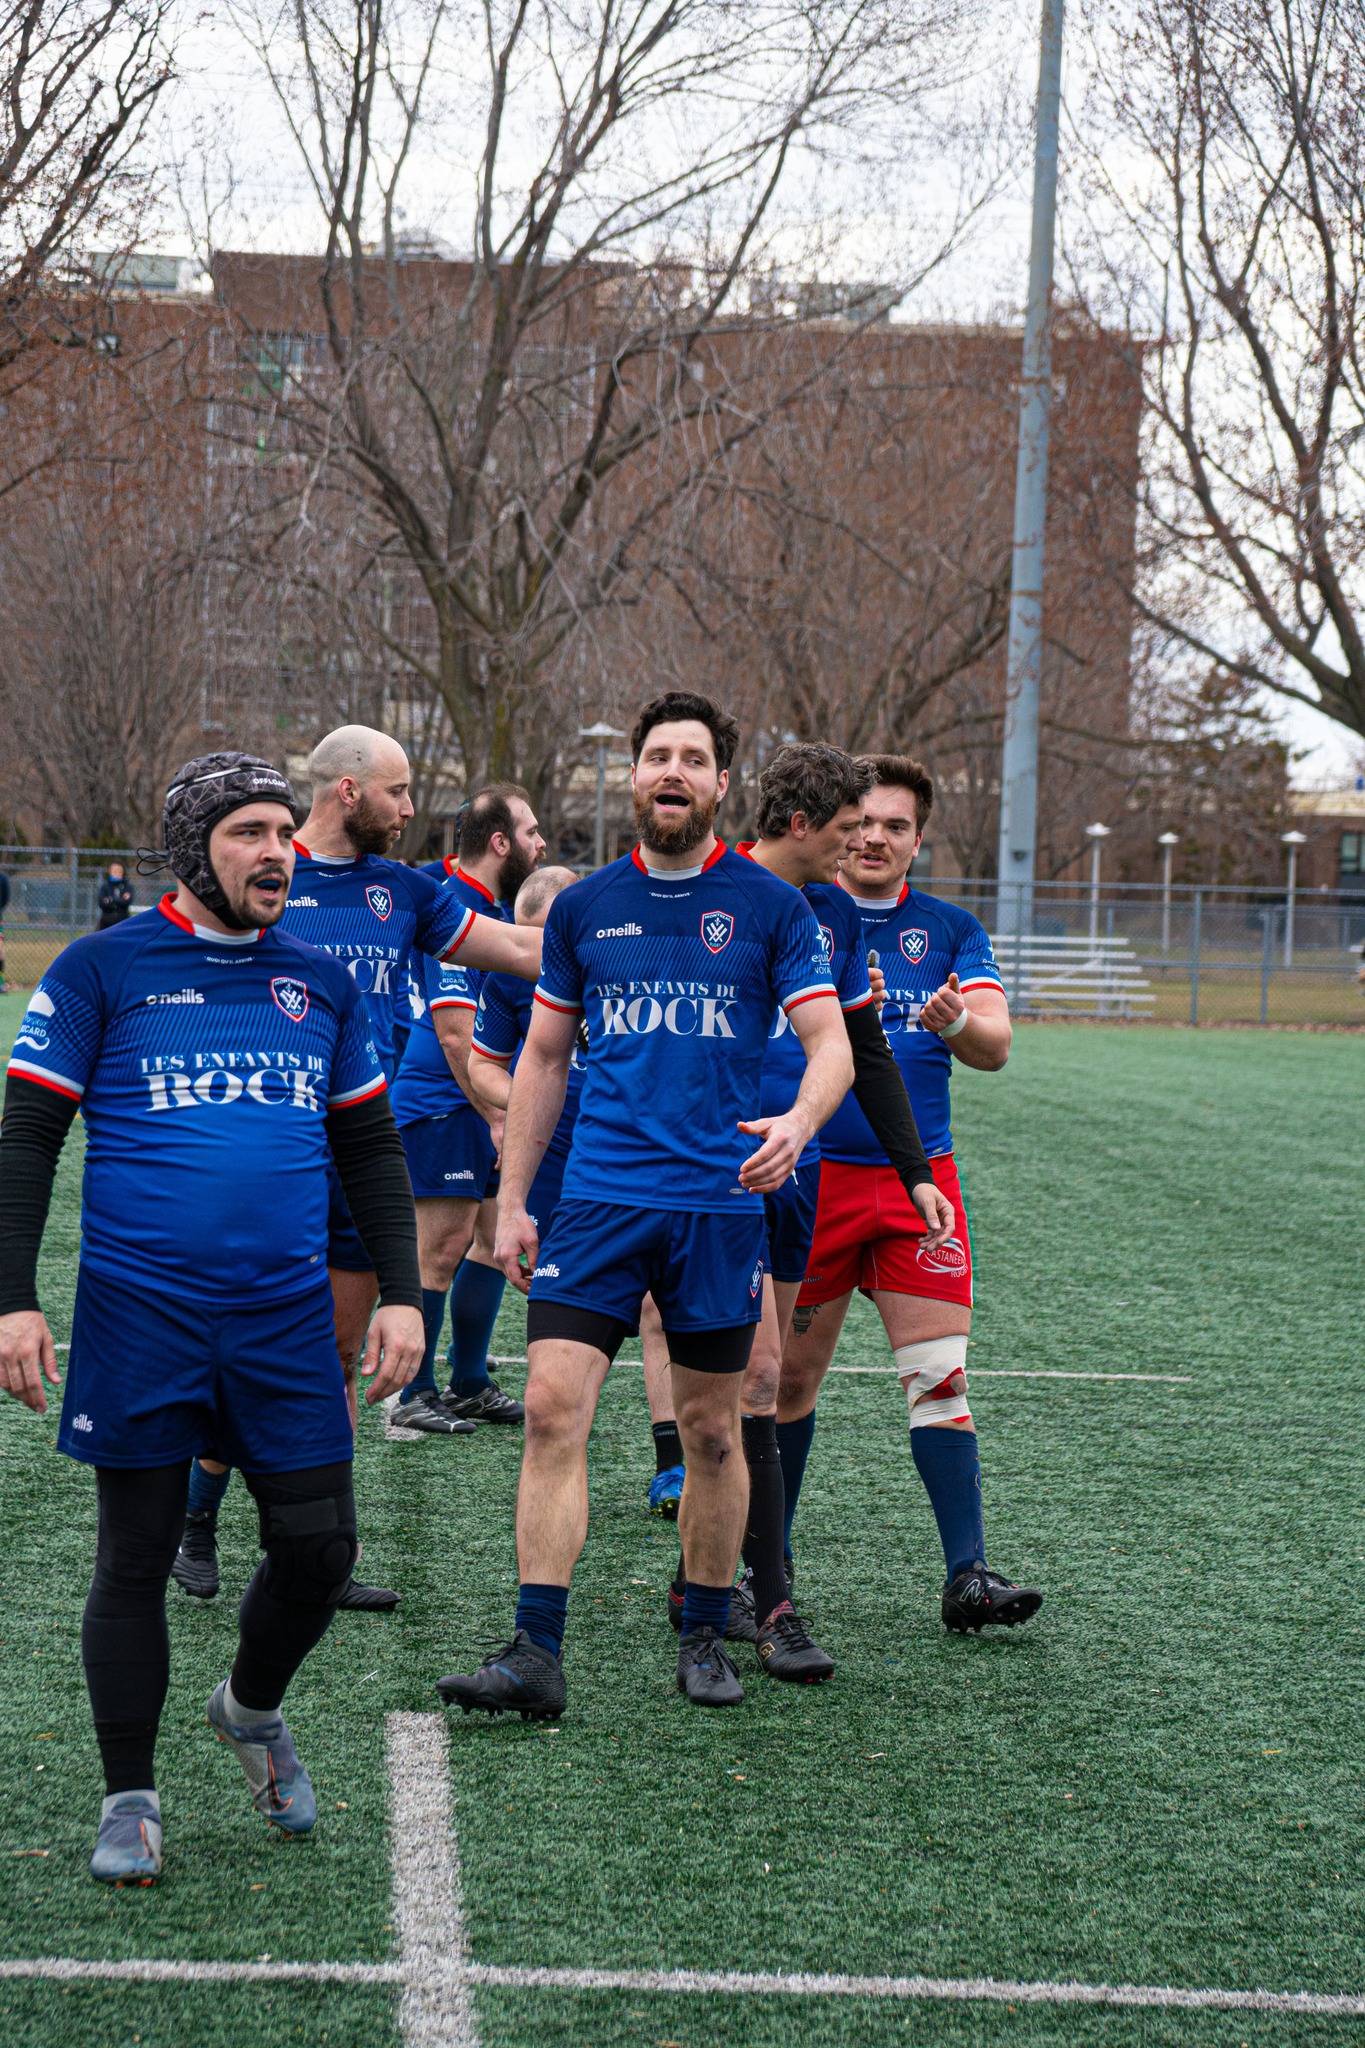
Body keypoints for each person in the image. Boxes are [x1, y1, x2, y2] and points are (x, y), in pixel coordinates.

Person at [0, 752, 423, 1885]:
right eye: (248, 831)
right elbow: (27, 1135)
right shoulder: (103, 967)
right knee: (134, 1557)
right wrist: (12, 1297)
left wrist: (403, 1294)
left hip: (285, 1321)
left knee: (322, 1547)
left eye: (285, 829)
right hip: (141, 1314)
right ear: (195, 849)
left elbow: (372, 1148)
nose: (277, 850)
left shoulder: (319, 981)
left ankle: (246, 1707)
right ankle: (129, 1796)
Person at [436, 690, 851, 1720]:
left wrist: (797, 1122)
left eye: (692, 757)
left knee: (714, 1432)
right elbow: (540, 1057)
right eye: (656, 755)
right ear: (635, 777)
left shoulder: (770, 908)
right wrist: (518, 1197)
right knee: (548, 1410)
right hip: (599, 1205)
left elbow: (830, 1044)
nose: (672, 770)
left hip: (715, 1210)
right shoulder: (584, 908)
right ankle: (536, 1648)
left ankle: (706, 1626)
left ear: (721, 783)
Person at [170, 728, 542, 1610]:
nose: (411, 810)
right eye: (399, 792)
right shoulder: (258, 877)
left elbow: (516, 950)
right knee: (245, 1351)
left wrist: (620, 934)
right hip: (262, 1159)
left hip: (364, 1155)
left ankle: (318, 1554)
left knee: (339, 1354)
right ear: (347, 791)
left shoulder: (405, 890)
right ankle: (194, 1522)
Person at [659, 742, 955, 1681]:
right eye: (845, 829)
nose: (859, 845)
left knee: (773, 1385)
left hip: (806, 1170)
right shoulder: (712, 891)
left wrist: (912, 1171)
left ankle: (732, 1586)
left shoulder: (827, 913)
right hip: (723, 1172)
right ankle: (757, 1598)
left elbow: (862, 1047)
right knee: (744, 1384)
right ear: (800, 825)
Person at [777, 754, 1043, 1633]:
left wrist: (954, 1019)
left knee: (939, 1380)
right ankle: (758, 1578)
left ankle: (966, 1576)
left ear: (917, 840)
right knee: (782, 1389)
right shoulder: (792, 912)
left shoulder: (951, 929)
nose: (875, 838)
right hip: (807, 1177)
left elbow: (996, 1045)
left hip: (917, 1187)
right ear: (837, 826)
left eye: (895, 826)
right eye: (863, 823)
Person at [387, 786, 546, 1434]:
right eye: (531, 831)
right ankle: (409, 1397)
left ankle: (469, 1381)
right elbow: (455, 1034)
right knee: (442, 1247)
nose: (541, 844)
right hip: (442, 1102)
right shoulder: (446, 906)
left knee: (488, 1239)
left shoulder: (494, 908)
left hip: (478, 1103)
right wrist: (495, 1113)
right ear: (500, 842)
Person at [97, 862, 134, 929]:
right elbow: (102, 903)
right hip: (107, 919)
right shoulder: (105, 887)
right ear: (109, 872)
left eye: (119, 871)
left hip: (123, 918)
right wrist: (119, 899)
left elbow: (126, 902)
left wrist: (111, 899)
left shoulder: (127, 886)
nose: (116, 873)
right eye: (114, 871)